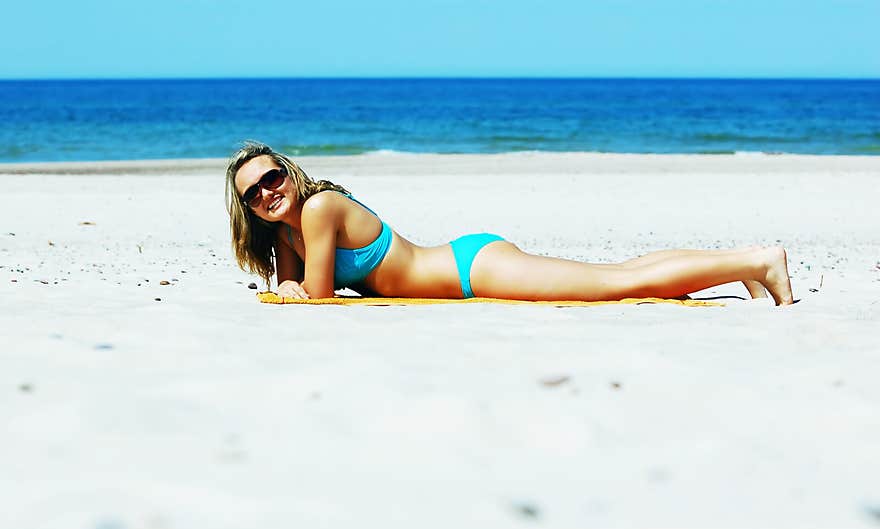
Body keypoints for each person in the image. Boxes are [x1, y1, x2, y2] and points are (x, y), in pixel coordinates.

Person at [226, 142, 794, 306]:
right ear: (247, 209)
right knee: (618, 274)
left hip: (474, 269)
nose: (266, 192)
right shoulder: (287, 231)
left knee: (619, 285)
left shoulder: (320, 209)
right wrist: (286, 284)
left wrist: (288, 289)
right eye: (252, 193)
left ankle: (757, 260)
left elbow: (314, 295)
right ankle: (736, 264)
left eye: (271, 178)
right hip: (462, 263)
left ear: (289, 173)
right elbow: (291, 286)